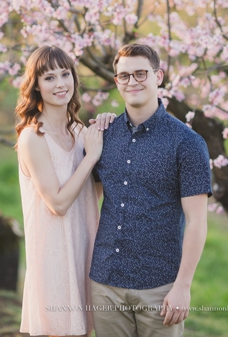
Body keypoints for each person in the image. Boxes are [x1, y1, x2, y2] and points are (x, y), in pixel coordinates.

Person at [90, 43, 212, 336]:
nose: (132, 82)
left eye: (140, 74)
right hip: (105, 283)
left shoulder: (188, 143)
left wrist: (183, 287)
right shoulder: (102, 135)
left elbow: (197, 221)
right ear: (117, 81)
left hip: (160, 287)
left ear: (158, 77)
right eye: (124, 76)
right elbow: (88, 201)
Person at [15, 45, 103, 337]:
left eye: (65, 74)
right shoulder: (32, 138)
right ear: (36, 86)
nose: (60, 84)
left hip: (83, 251)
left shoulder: (79, 133)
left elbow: (90, 195)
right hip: (53, 258)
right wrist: (91, 157)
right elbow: (58, 204)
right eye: (49, 77)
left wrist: (108, 135)